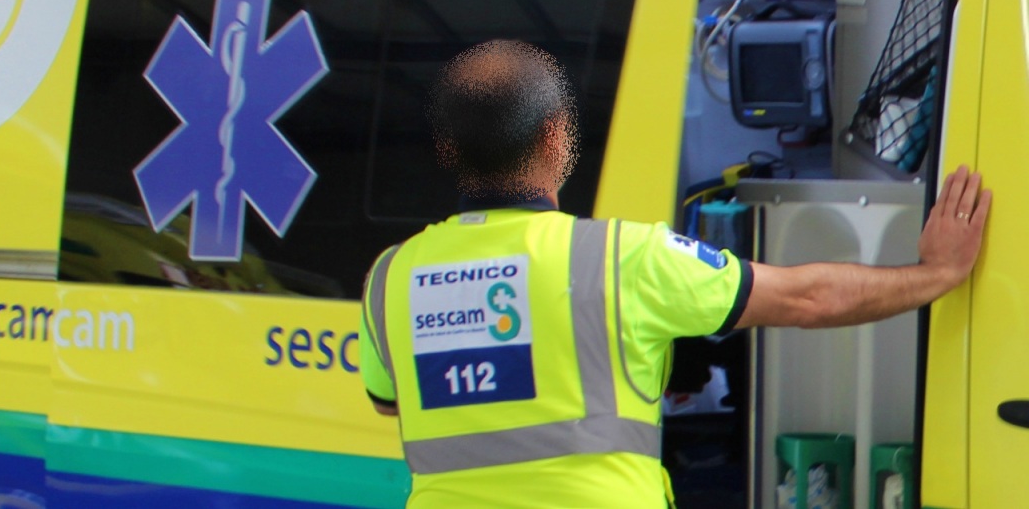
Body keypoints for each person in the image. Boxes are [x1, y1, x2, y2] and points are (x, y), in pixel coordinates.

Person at [357, 39, 990, 508]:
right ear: (556, 139)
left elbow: (395, 403)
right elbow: (807, 298)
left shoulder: (390, 278)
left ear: (446, 151)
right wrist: (934, 273)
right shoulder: (618, 258)